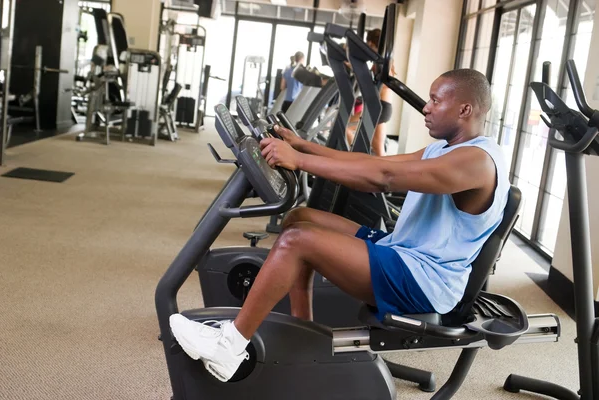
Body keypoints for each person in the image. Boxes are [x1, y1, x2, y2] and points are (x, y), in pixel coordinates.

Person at [169, 69, 509, 383]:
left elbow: (383, 178)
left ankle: (228, 347)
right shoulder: (446, 148)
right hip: (402, 252)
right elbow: (375, 162)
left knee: (298, 241)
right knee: (299, 219)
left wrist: (300, 161)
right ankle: (304, 329)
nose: (426, 107)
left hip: (424, 281)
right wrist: (305, 147)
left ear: (464, 109)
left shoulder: (476, 161)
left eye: (436, 100)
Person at [345, 29, 395, 155]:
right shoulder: (379, 61)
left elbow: (387, 82)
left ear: (372, 44)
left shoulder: (384, 62)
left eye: (369, 45)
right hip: (379, 106)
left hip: (380, 107)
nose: (368, 48)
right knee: (379, 151)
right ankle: (365, 164)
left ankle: (357, 160)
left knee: (346, 127)